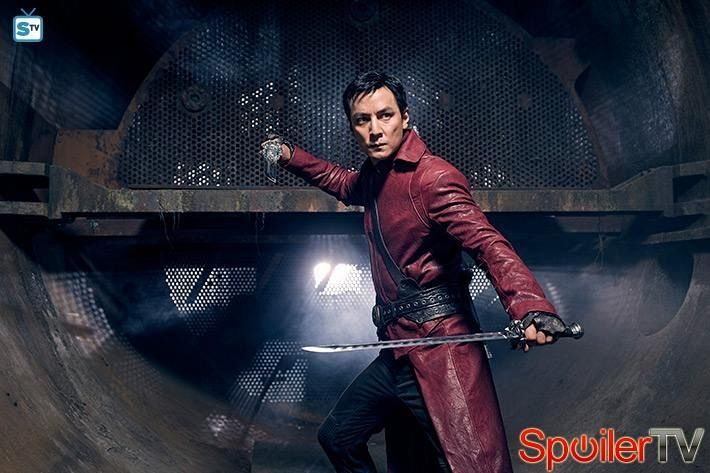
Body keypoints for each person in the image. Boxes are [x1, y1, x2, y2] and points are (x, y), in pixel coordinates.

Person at [260, 71, 566, 473]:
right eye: (362, 120)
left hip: (442, 350)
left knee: (469, 467)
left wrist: (529, 308)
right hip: (398, 352)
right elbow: (342, 182)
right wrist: (290, 156)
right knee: (337, 436)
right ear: (353, 127)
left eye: (385, 116)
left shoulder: (433, 178)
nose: (375, 130)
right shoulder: (375, 176)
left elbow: (487, 244)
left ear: (405, 117)